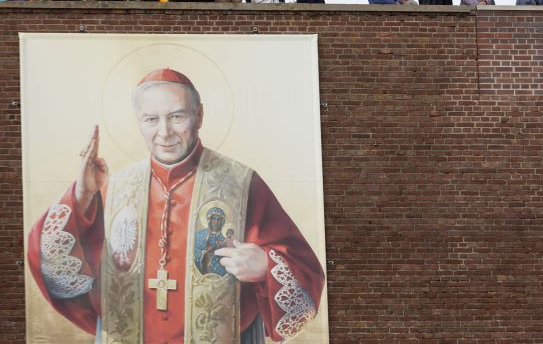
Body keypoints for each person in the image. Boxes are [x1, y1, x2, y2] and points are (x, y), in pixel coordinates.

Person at [27, 68, 325, 342]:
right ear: (139, 123)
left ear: (199, 115)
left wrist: (264, 266)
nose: (165, 132)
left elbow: (305, 275)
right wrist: (81, 196)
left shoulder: (241, 182)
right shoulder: (116, 187)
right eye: (151, 119)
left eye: (178, 117)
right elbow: (54, 265)